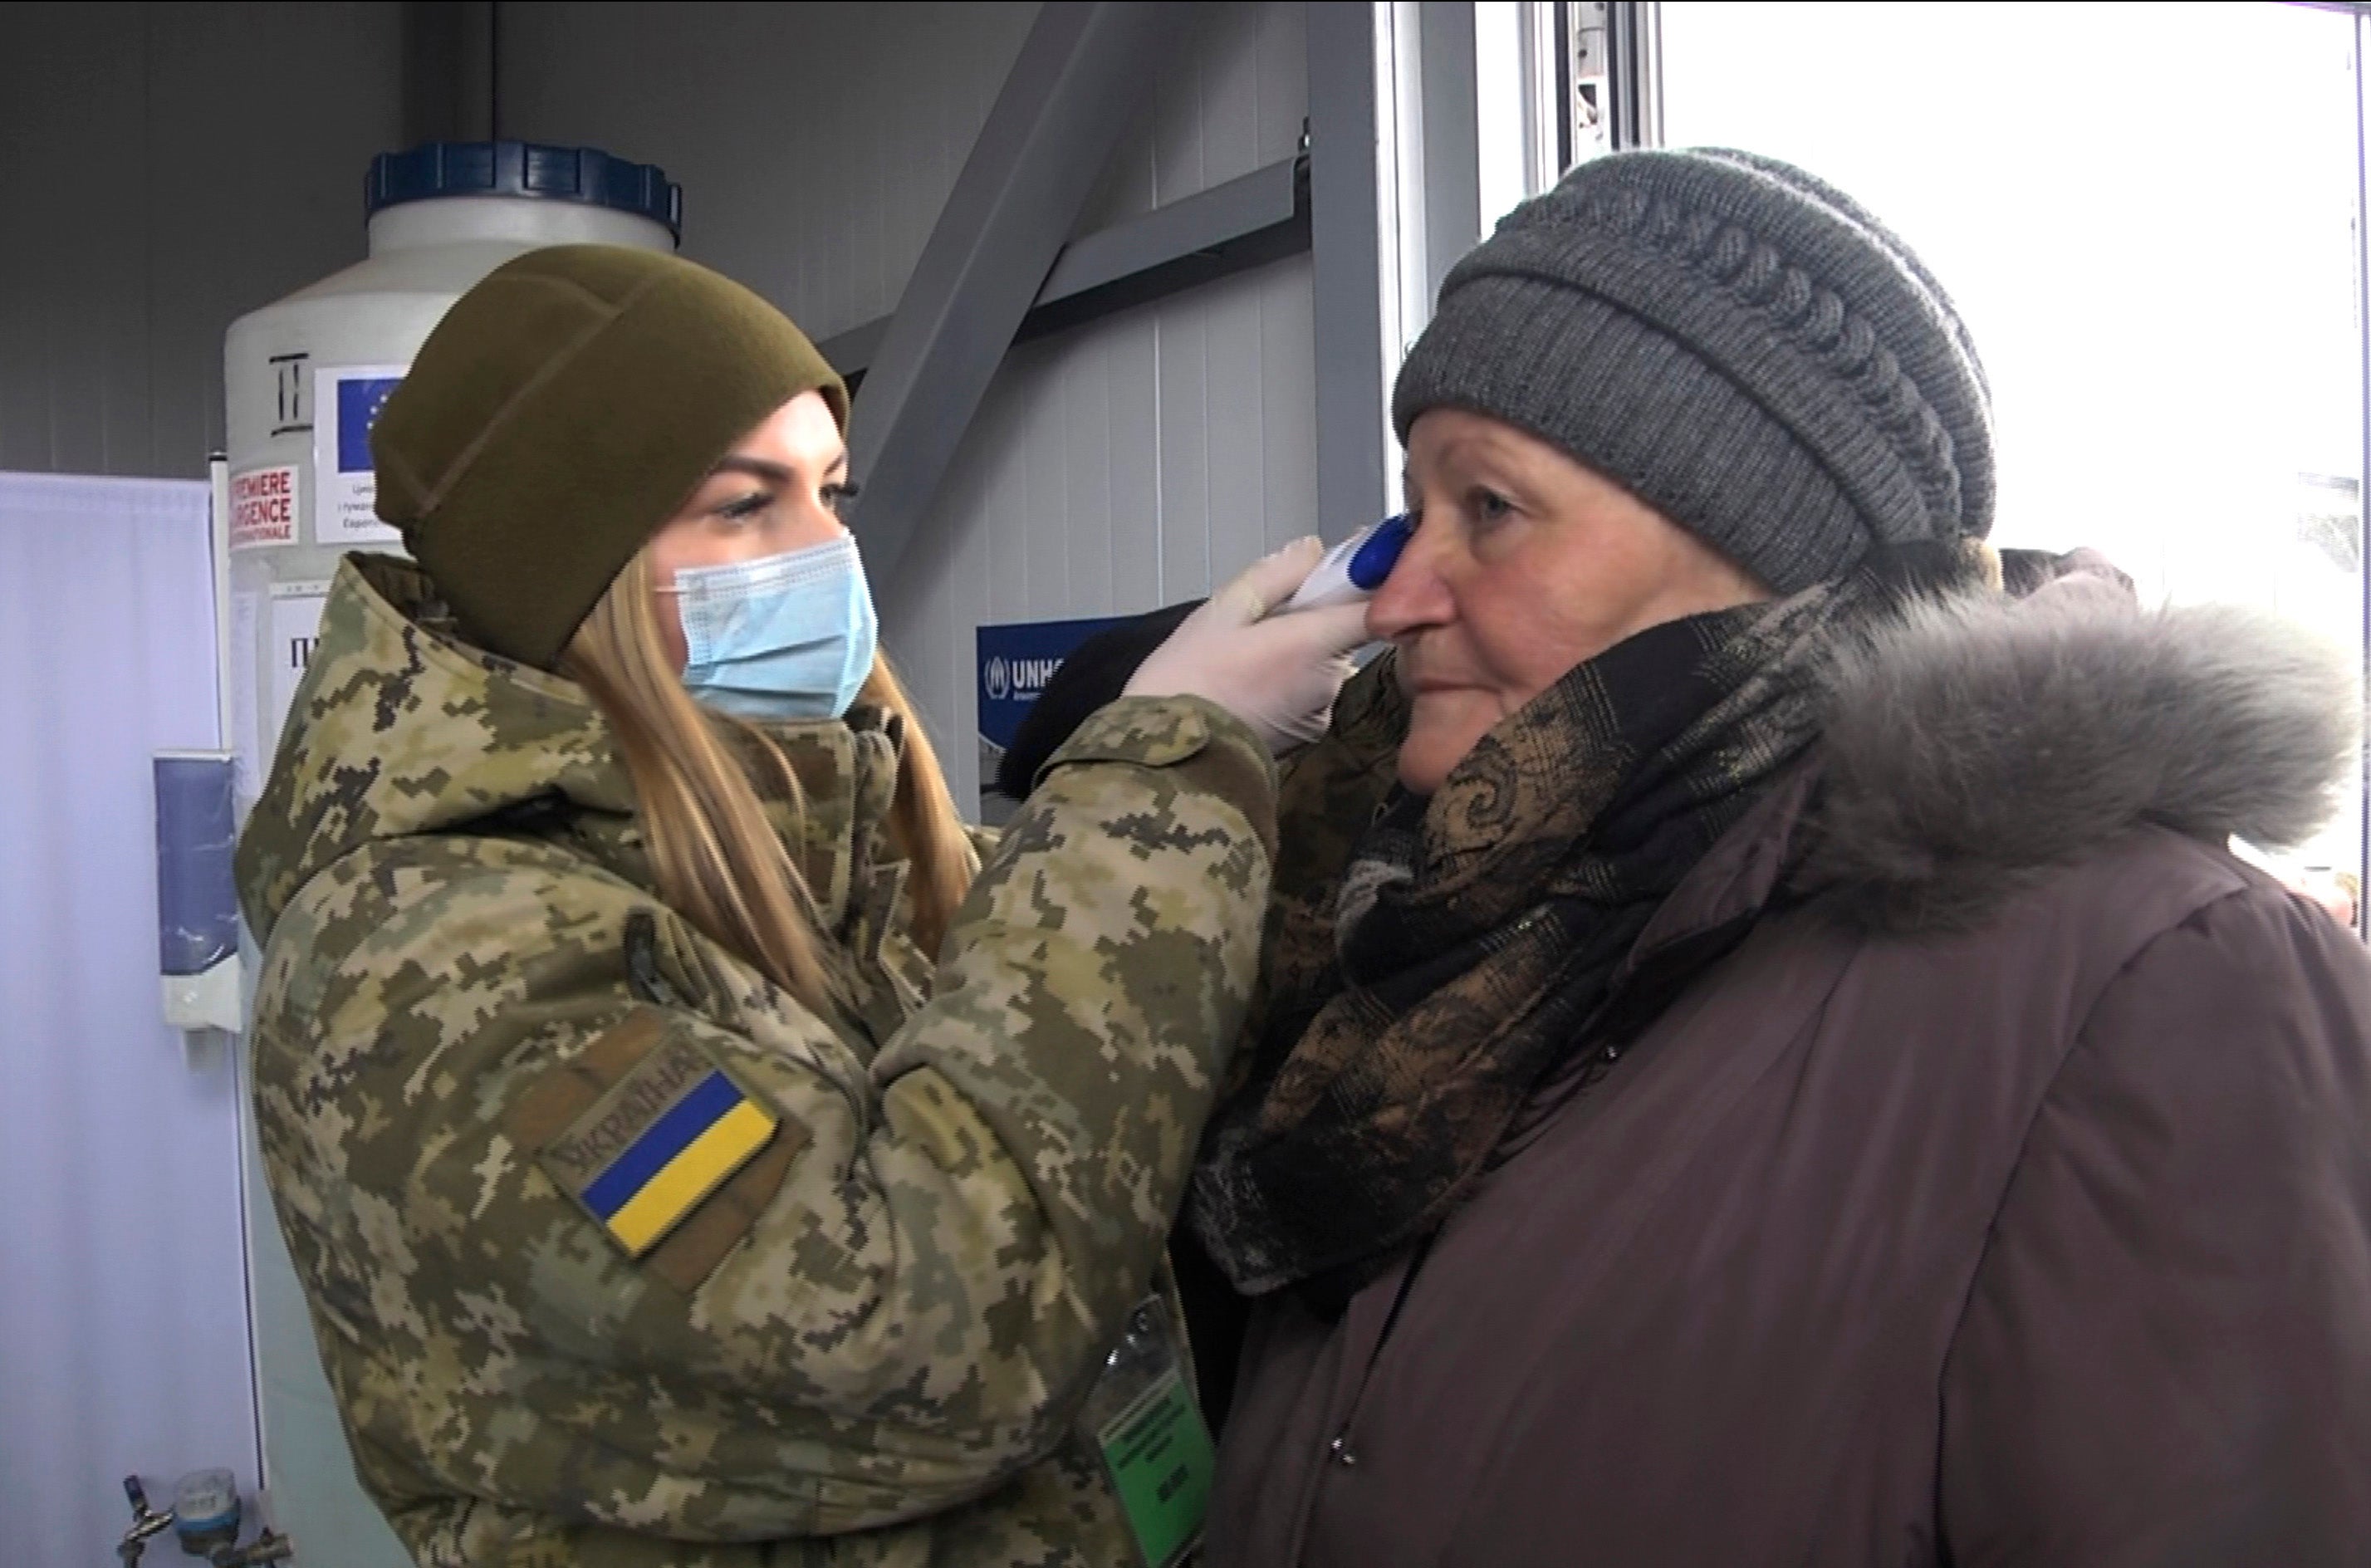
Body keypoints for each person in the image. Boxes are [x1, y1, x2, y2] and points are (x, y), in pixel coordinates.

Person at [1176, 149, 2371, 1562]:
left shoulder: (2156, 982)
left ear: (1767, 554)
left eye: (1488, 508)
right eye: (1415, 507)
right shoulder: (1445, 937)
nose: (1399, 596)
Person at [232, 244, 1367, 1566]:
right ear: (563, 572)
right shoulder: (431, 966)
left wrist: (1357, 739)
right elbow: (925, 1328)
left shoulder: (814, 847)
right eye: (742, 505)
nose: (827, 552)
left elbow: (1098, 1024)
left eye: (831, 492)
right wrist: (1164, 767)